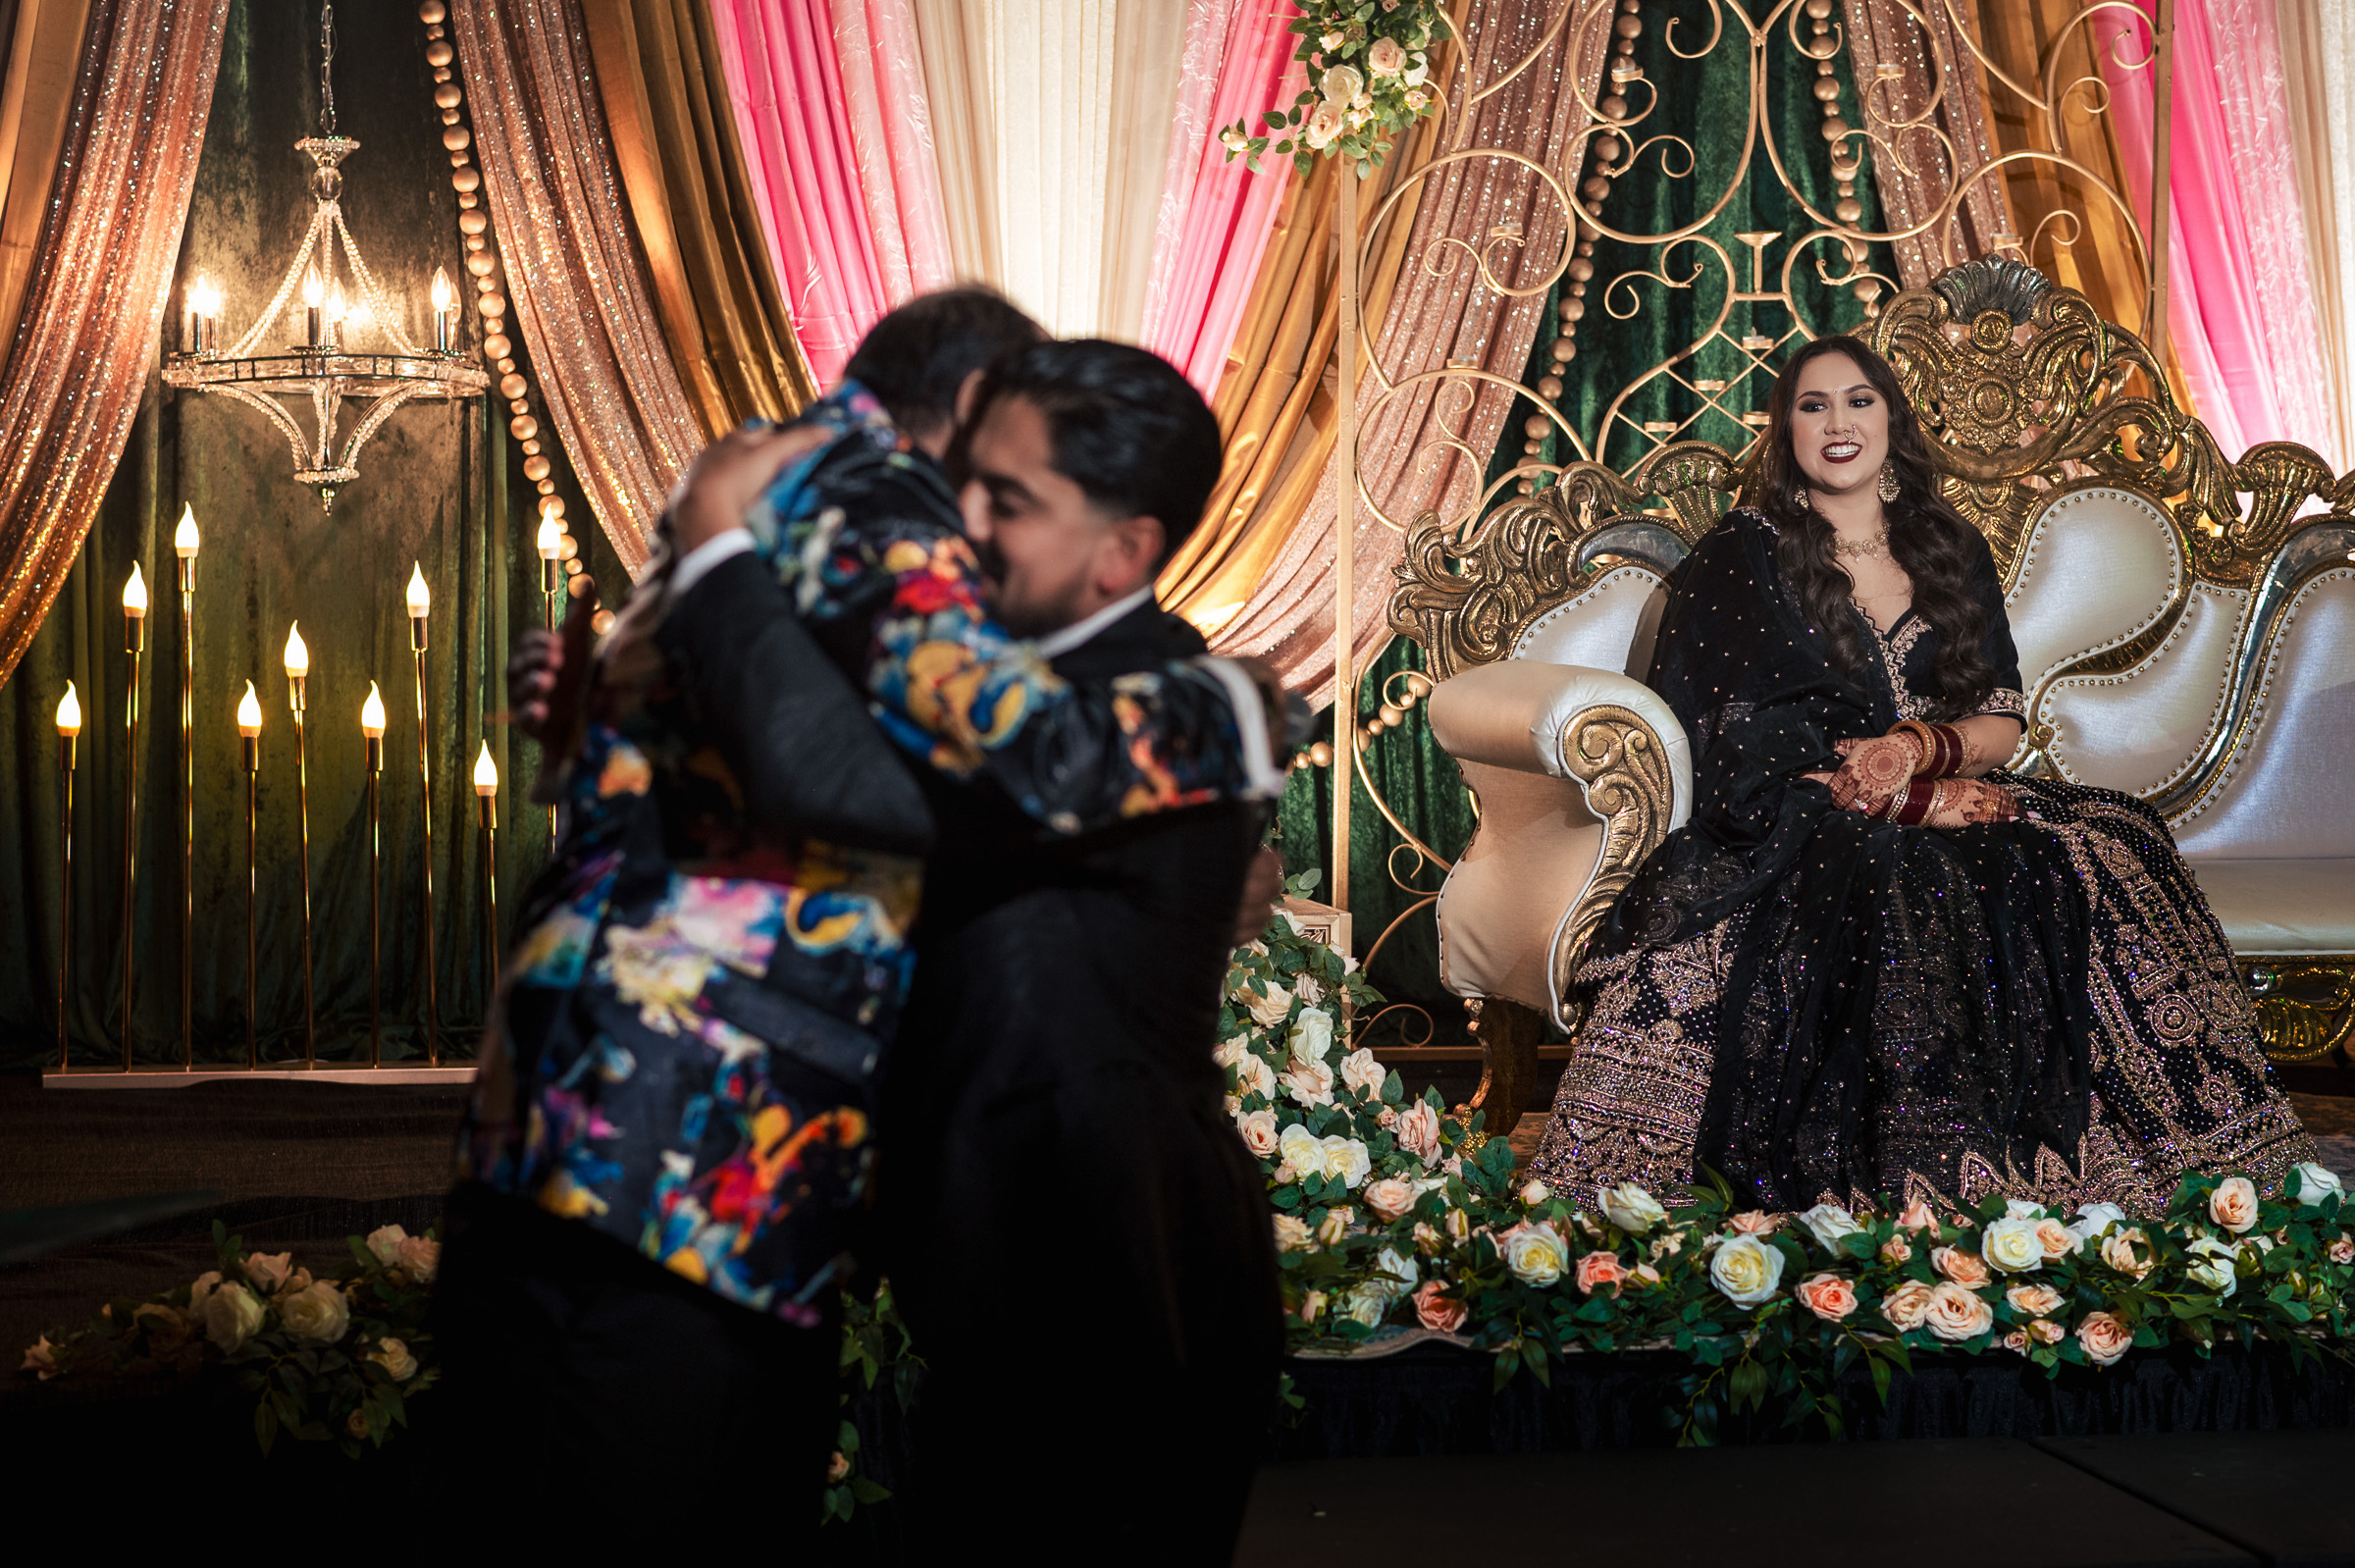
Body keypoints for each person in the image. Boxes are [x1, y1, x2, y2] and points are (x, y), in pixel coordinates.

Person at [436, 290, 1285, 1511]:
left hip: (613, 1140)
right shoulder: (879, 498)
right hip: (683, 1157)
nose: (989, 519)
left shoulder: (786, 481)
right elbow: (894, 779)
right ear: (977, 416)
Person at [1526, 335, 2314, 1214]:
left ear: (1890, 420)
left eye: (1858, 401)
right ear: (1785, 428)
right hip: (1803, 808)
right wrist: (1897, 797)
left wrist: (1918, 756)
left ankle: (2143, 1159)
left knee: (2104, 844)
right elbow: (1721, 734)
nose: (1837, 423)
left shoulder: (1947, 546)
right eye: (1813, 404)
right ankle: (1914, 1182)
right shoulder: (1744, 554)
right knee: (1903, 878)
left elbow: (2000, 719)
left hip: (1938, 780)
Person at [876, 340, 1283, 1562]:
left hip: (1114, 1264)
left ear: (1123, 551)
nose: (961, 522)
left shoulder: (1156, 702)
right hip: (1026, 1253)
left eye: (1009, 501)